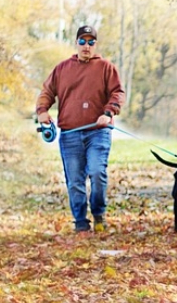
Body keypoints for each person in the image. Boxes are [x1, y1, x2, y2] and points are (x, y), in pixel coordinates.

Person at [35, 25, 126, 233]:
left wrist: (109, 112)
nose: (87, 46)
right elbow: (47, 92)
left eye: (91, 42)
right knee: (75, 180)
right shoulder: (62, 69)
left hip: (98, 131)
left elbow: (117, 93)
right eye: (83, 41)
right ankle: (81, 223)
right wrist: (42, 111)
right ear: (76, 43)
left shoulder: (106, 68)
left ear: (96, 45)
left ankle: (98, 214)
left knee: (97, 172)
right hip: (70, 134)